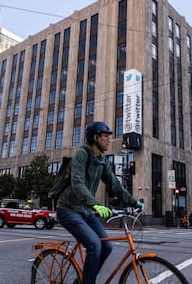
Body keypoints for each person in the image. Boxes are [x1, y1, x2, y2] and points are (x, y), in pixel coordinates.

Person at [56, 121, 143, 284]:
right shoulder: (81, 154)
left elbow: (114, 185)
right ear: (95, 138)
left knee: (107, 246)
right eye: (105, 136)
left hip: (85, 211)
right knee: (95, 245)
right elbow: (77, 183)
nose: (109, 140)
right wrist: (95, 204)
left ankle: (86, 279)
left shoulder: (102, 160)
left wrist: (133, 202)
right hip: (68, 209)